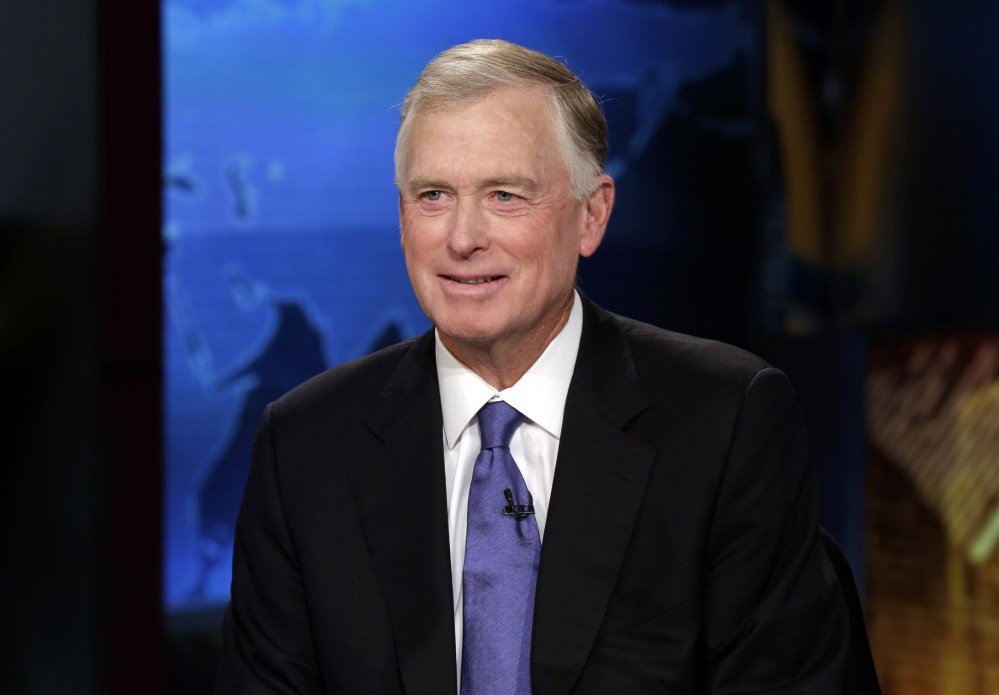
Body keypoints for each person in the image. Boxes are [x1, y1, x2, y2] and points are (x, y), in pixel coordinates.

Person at [216, 39, 848, 694]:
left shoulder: (725, 421)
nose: (462, 238)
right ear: (402, 218)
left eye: (504, 196)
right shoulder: (305, 445)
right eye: (433, 195)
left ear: (591, 214)